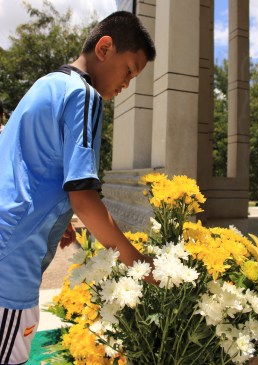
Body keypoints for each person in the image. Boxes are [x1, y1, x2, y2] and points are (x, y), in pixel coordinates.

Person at [0, 11, 156, 364]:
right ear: (105, 47)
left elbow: (27, 162)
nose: (126, 85)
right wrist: (139, 264)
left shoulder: (47, 84)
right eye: (129, 71)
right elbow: (84, 198)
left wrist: (60, 216)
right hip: (11, 261)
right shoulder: (85, 96)